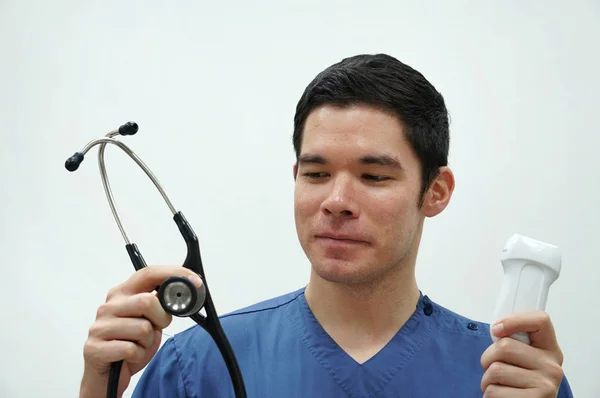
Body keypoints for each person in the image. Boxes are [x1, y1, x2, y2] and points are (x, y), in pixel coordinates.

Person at [79, 54, 573, 398]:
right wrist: (96, 388)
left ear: (436, 191)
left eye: (374, 176)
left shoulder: (512, 375)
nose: (336, 202)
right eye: (316, 174)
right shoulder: (195, 367)